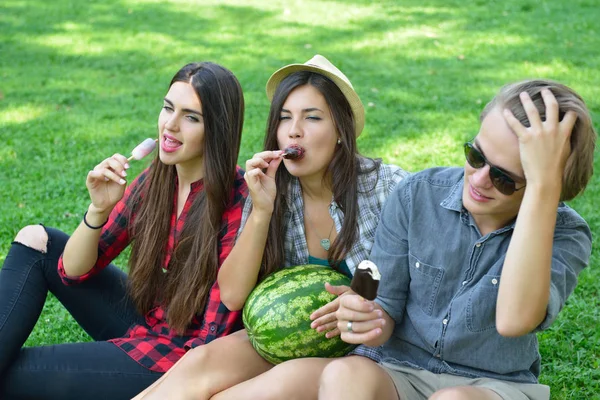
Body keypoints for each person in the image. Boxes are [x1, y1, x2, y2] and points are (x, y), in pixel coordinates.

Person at [133, 54, 408, 399]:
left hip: (367, 353)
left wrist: (368, 298)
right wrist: (262, 209)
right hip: (286, 338)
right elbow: (233, 295)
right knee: (197, 364)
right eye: (284, 118)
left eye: (312, 118)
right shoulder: (274, 189)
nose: (294, 130)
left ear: (341, 128)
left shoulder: (389, 188)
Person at [318, 80, 596, 400]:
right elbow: (383, 308)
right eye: (476, 155)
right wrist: (367, 318)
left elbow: (513, 320)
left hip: (492, 384)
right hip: (399, 368)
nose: (478, 180)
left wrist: (544, 188)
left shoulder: (565, 234)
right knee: (343, 374)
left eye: (504, 179)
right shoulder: (416, 194)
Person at [0, 62, 247, 399]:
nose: (170, 126)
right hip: (146, 316)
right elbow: (73, 271)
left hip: (178, 355)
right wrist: (98, 209)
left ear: (218, 128)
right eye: (167, 108)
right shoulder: (156, 181)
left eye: (191, 117)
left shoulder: (238, 201)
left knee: (17, 374)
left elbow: (208, 342)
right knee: (35, 240)